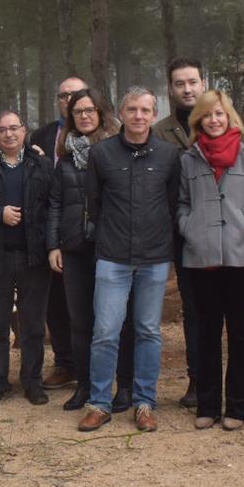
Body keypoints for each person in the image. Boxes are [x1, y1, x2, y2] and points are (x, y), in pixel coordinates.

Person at [79, 88, 180, 432]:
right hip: (113, 256)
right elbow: (94, 203)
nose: (139, 116)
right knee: (105, 332)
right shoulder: (102, 154)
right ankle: (100, 403)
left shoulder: (168, 155)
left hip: (154, 258)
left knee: (148, 331)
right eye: (132, 109)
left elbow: (172, 203)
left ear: (154, 115)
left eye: (146, 110)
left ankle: (145, 402)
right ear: (121, 113)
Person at [176, 89, 244, 431]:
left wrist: (243, 225)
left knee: (239, 331)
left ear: (230, 117)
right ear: (198, 121)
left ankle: (237, 406)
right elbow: (182, 204)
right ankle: (207, 404)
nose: (214, 120)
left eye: (219, 114)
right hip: (201, 256)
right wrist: (190, 228)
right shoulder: (189, 159)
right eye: (207, 115)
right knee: (206, 333)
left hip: (242, 256)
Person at [0, 109, 55, 406]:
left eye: (14, 128)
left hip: (34, 257)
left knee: (32, 324)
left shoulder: (42, 165)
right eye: (2, 129)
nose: (9, 134)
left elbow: (55, 205)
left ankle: (32, 381)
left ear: (24, 131)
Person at [46, 89, 120, 412]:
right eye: (78, 112)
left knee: (116, 321)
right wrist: (53, 244)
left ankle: (124, 386)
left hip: (112, 248)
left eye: (90, 110)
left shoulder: (117, 151)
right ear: (71, 117)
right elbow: (55, 204)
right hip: (74, 247)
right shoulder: (64, 159)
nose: (85, 116)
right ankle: (85, 386)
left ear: (101, 113)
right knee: (80, 321)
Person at [152, 58, 207, 409]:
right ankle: (197, 381)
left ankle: (239, 384)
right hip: (182, 234)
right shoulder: (161, 131)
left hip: (223, 233)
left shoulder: (221, 121)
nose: (187, 89)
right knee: (194, 310)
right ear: (171, 88)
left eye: (192, 82)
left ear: (203, 82)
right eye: (179, 83)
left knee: (231, 310)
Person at [31, 74, 90, 389]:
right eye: (63, 95)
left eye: (75, 95)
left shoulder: (103, 134)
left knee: (88, 303)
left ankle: (94, 366)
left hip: (91, 233)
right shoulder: (41, 136)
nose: (68, 100)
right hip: (51, 231)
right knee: (55, 302)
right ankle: (65, 363)